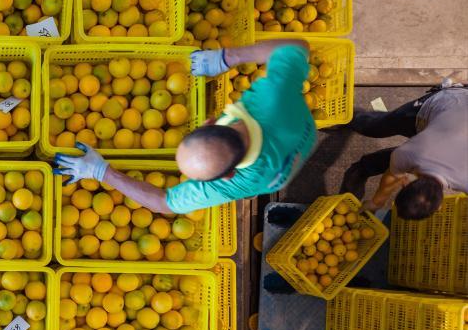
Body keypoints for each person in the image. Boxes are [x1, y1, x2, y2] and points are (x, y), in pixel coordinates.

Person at [53, 39, 315, 215]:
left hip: (283, 163)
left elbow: (164, 204)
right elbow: (298, 47)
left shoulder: (239, 184)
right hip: (298, 132)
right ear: (209, 123)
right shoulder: (272, 96)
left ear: (208, 121)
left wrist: (101, 171)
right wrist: (227, 57)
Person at [338, 82, 466, 220]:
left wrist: (377, 202)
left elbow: (398, 170)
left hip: (452, 124)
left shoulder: (410, 154)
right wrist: (376, 203)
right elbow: (393, 175)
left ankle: (363, 167)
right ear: (404, 182)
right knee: (375, 126)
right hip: (449, 101)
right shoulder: (410, 153)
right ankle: (344, 115)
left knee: (401, 160)